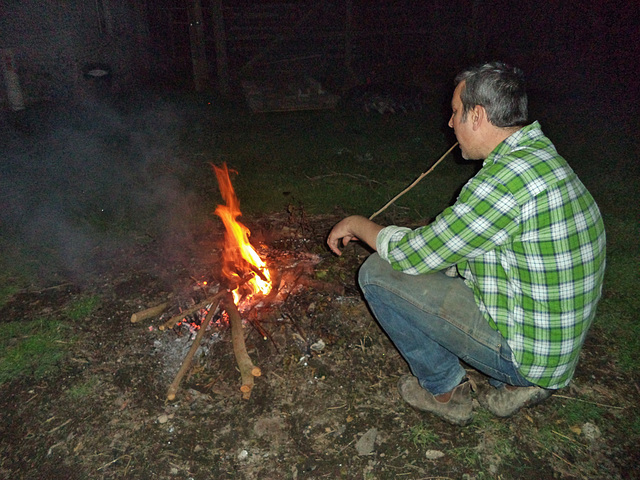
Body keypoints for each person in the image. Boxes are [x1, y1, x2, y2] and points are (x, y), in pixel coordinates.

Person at [327, 61, 606, 426]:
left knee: (377, 272)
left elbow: (412, 255)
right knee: (444, 262)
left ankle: (444, 391)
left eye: (456, 112)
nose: (449, 123)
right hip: (556, 346)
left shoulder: (502, 184)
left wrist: (357, 224)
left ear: (477, 116)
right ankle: (509, 387)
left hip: (527, 355)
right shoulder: (539, 156)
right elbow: (474, 244)